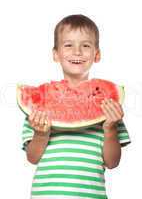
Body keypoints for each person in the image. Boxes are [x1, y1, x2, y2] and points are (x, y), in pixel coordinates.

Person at [22, 14, 131, 199]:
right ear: (55, 54)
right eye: (68, 45)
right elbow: (32, 158)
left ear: (97, 54)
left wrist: (110, 129)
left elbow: (112, 163)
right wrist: (41, 134)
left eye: (86, 45)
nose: (77, 51)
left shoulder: (108, 107)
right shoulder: (41, 105)